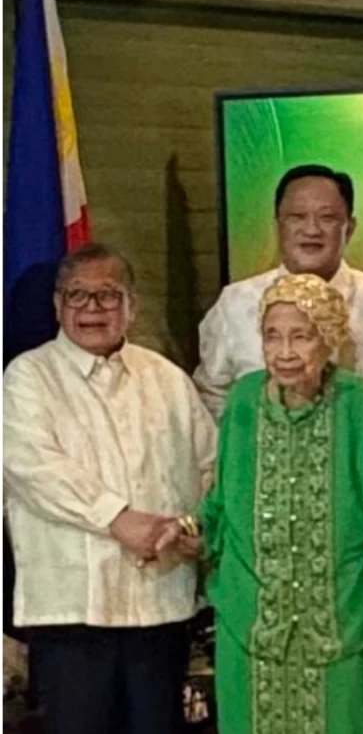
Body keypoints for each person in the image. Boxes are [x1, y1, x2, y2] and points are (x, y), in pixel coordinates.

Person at [160, 272, 363, 734]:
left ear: (327, 340)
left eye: (300, 337)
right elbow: (224, 502)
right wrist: (189, 530)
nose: (284, 352)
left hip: (346, 627)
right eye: (272, 336)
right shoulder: (244, 402)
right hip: (252, 627)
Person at [3, 243, 216, 734]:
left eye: (107, 296)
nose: (92, 310)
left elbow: (212, 468)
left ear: (132, 306)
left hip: (162, 605)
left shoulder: (167, 379)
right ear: (57, 306)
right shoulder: (28, 378)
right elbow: (33, 468)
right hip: (75, 613)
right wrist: (120, 520)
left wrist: (195, 528)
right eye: (78, 296)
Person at [194, 164, 363, 444]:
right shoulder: (236, 303)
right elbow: (210, 396)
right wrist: (244, 450)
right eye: (297, 217)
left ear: (350, 228)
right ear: (277, 225)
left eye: (327, 218)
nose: (311, 230)